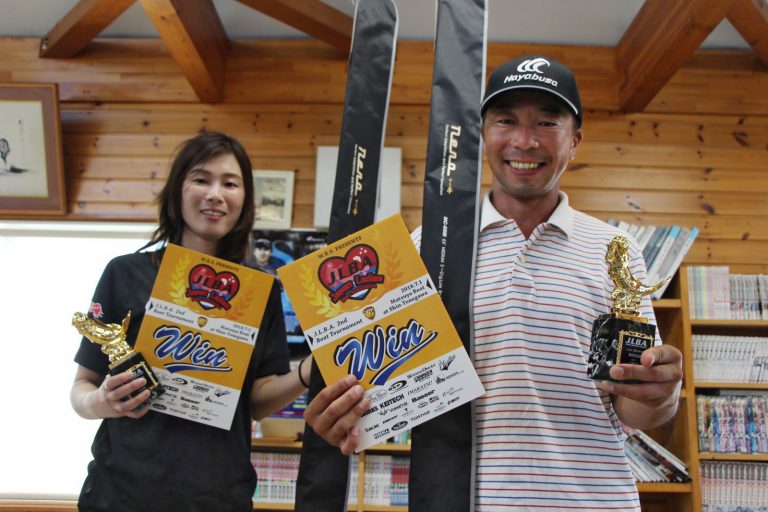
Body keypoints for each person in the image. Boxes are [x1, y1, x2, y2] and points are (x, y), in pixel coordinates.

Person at [300, 55, 683, 511]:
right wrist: (347, 415)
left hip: (593, 500)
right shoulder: (427, 247)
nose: (525, 140)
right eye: (506, 120)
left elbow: (633, 405)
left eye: (547, 122)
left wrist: (661, 395)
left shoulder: (616, 251)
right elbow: (386, 392)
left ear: (575, 140)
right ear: (482, 134)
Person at [70, 131, 313, 512]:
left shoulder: (260, 290)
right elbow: (81, 389)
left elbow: (256, 402)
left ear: (245, 199)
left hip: (219, 497)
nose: (216, 194)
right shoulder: (124, 273)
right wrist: (102, 401)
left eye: (230, 183)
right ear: (176, 191)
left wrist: (306, 373)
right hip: (121, 494)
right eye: (201, 179)